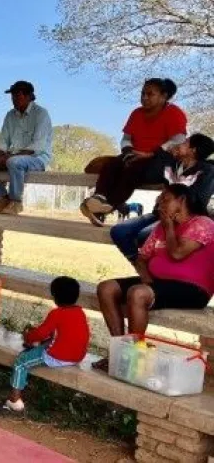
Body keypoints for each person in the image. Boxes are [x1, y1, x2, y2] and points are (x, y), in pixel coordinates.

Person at [95, 184, 214, 369]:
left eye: (165, 200)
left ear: (182, 200)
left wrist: (169, 228)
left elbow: (177, 253)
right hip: (160, 284)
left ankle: (133, 357)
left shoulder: (202, 223)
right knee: (106, 288)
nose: (160, 206)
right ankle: (119, 352)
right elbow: (142, 259)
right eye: (159, 202)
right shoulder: (161, 227)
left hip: (193, 288)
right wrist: (148, 280)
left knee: (137, 293)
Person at [80, 78, 189, 226]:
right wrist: (128, 151)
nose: (144, 97)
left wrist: (151, 153)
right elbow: (126, 138)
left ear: (163, 96)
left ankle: (106, 207)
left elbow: (178, 140)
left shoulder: (174, 113)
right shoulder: (136, 113)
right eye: (142, 93)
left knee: (133, 169)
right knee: (112, 164)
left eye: (150, 94)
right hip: (136, 155)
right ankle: (98, 199)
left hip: (161, 160)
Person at [110, 133, 214, 262]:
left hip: (182, 220)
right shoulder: (173, 164)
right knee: (119, 231)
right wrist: (163, 152)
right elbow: (150, 175)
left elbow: (200, 200)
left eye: (185, 143)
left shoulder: (207, 170)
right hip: (159, 213)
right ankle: (139, 266)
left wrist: (172, 205)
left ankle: (153, 269)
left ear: (193, 150)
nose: (179, 144)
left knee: (143, 236)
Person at [3, 276, 89, 413]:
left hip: (57, 356)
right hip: (77, 356)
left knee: (20, 362)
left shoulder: (57, 313)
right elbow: (59, 334)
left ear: (55, 296)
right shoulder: (80, 312)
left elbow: (40, 334)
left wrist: (28, 337)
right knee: (41, 347)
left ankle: (14, 400)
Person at [0, 81, 53, 215]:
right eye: (12, 96)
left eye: (17, 96)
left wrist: (9, 157)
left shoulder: (41, 114)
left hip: (37, 158)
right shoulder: (10, 115)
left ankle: (16, 202)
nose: (14, 100)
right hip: (12, 156)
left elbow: (37, 146)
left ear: (29, 96)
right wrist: (0, 155)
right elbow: (3, 140)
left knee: (14, 162)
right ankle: (1, 197)